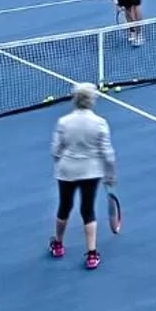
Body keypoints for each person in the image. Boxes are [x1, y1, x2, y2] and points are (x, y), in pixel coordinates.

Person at [50, 82, 116, 270]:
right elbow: (107, 153)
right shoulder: (100, 123)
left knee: (64, 207)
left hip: (67, 171)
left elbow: (56, 150)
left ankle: (58, 245)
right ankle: (92, 254)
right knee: (88, 210)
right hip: (91, 172)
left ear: (75, 99)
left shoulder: (63, 122)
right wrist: (110, 174)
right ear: (92, 100)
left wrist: (61, 161)